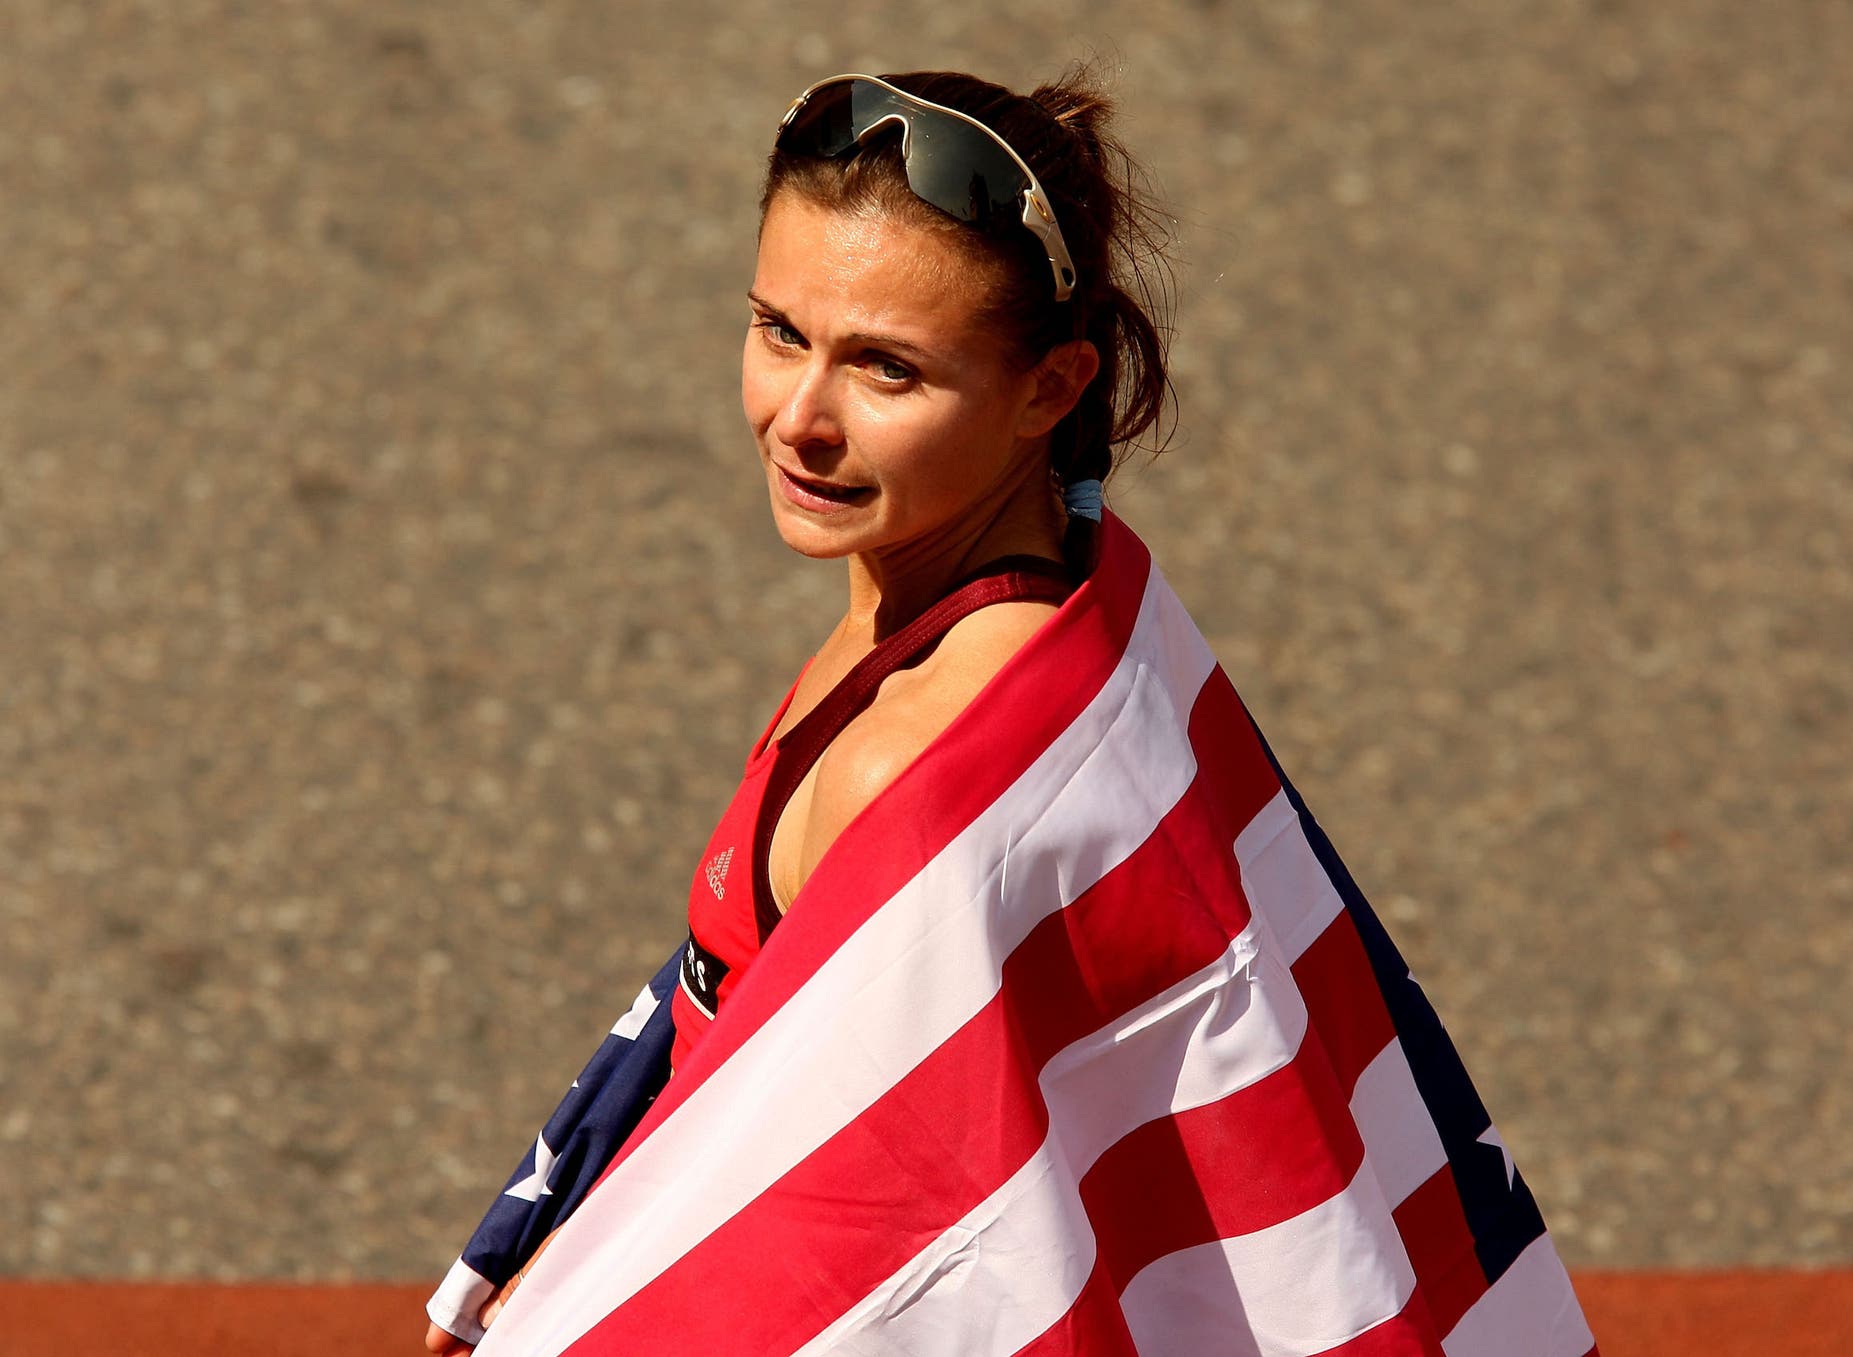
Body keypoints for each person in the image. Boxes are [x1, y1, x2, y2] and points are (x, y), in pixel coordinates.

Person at [427, 69, 1596, 1357]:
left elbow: (858, 1246)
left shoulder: (924, 764)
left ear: (1051, 389)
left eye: (886, 370)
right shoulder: (1052, 606)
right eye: (777, 331)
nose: (799, 420)